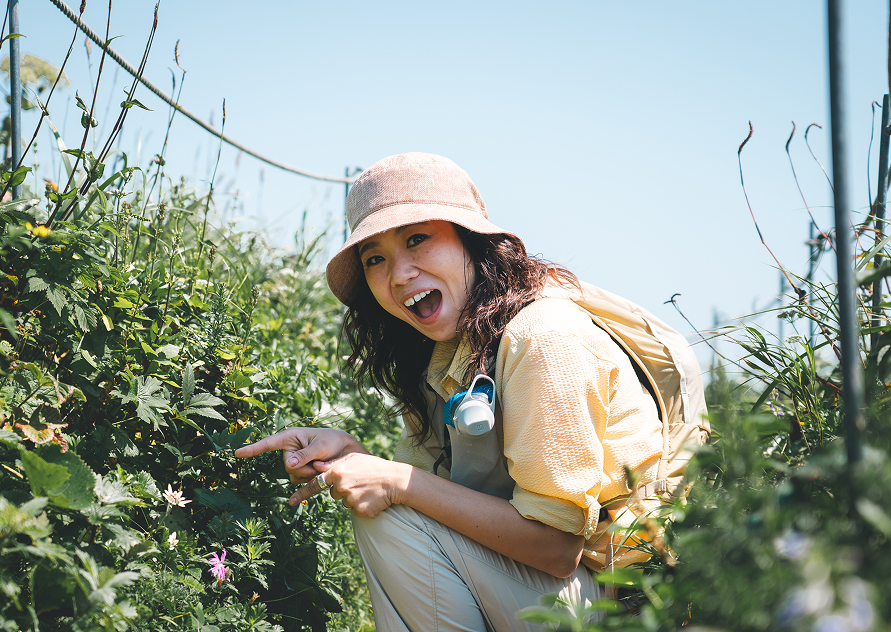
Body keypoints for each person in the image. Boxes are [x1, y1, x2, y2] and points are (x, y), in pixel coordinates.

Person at [234, 152, 663, 631]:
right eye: (375, 259)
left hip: (627, 605)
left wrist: (395, 481)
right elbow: (432, 502)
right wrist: (355, 458)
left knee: (392, 516)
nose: (399, 274)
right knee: (395, 511)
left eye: (417, 239)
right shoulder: (451, 354)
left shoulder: (544, 337)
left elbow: (557, 547)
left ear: (473, 241)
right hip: (564, 593)